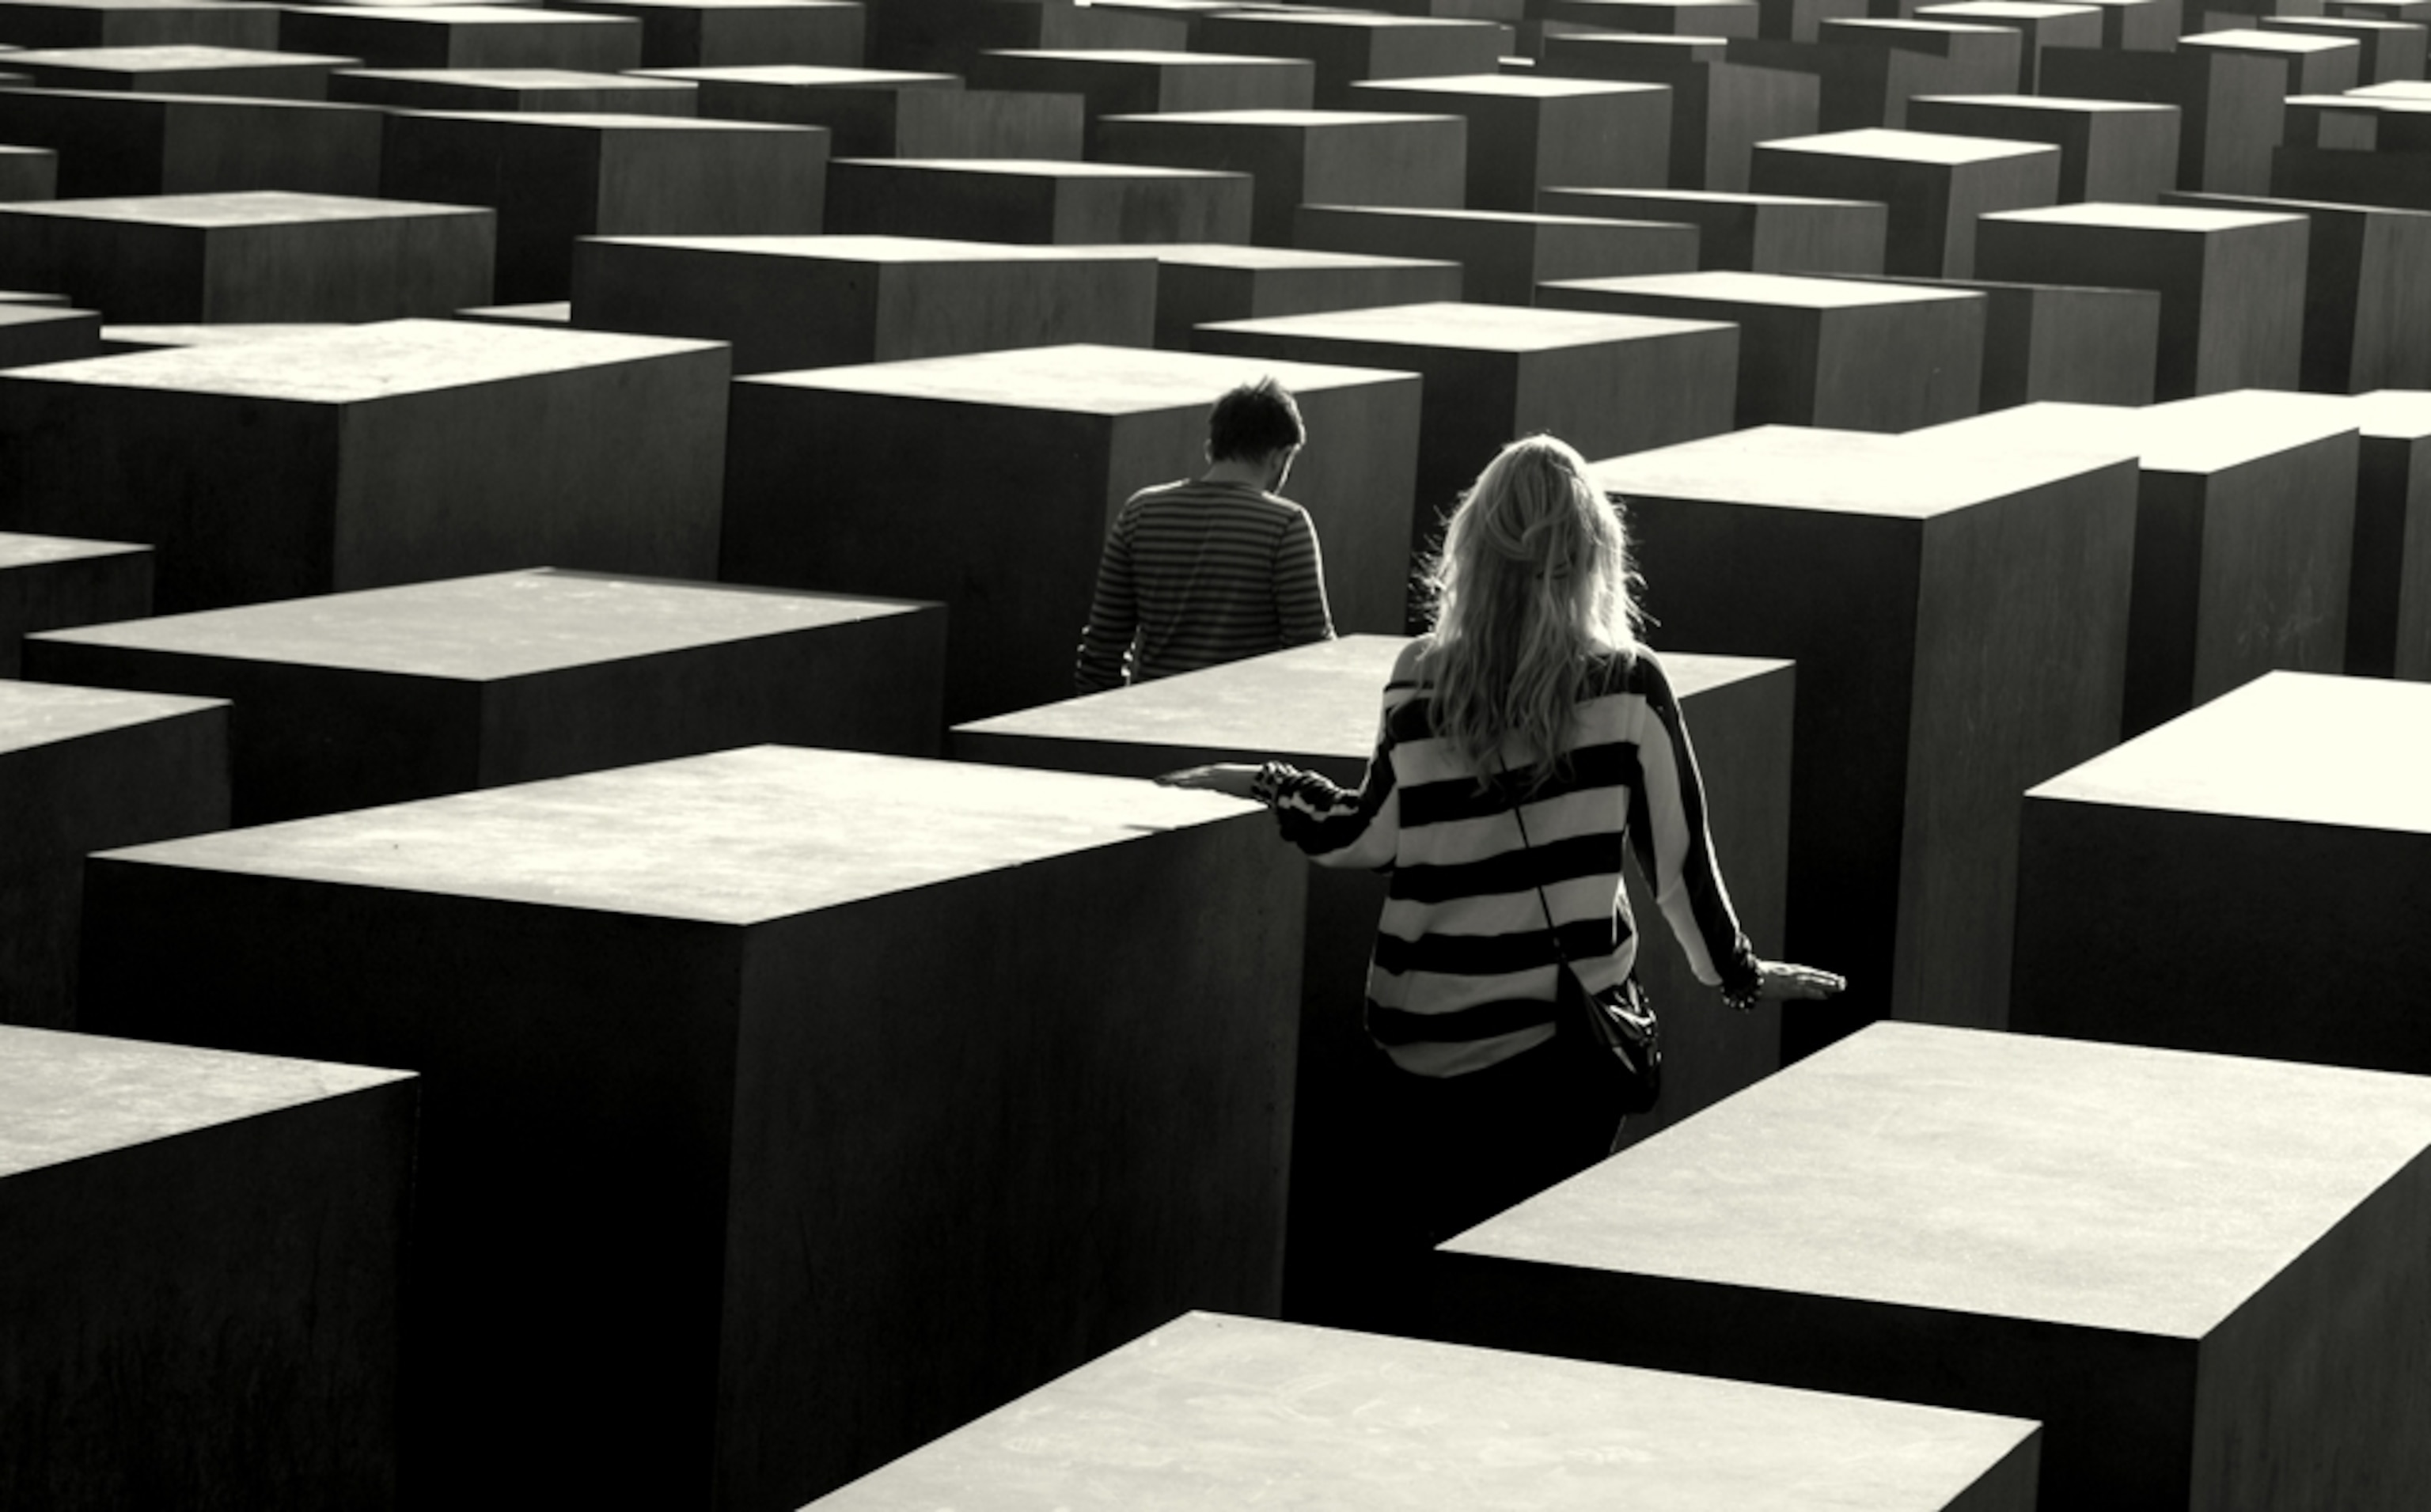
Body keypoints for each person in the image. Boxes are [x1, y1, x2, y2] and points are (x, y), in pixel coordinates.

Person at [1160, 434, 1842, 1263]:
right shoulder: (1629, 683)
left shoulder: (1420, 675)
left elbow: (1369, 837)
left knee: (1433, 1259)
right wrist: (1738, 973)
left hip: (1424, 1041)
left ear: (1474, 550)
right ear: (1593, 555)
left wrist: (1270, 782)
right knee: (1534, 1278)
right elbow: (1678, 865)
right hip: (1562, 1056)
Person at [1072, 377, 1335, 694]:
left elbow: (1102, 651)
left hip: (1148, 714)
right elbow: (1312, 656)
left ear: (1211, 449)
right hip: (1243, 718)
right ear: (1280, 457)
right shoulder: (1286, 526)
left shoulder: (1140, 512)